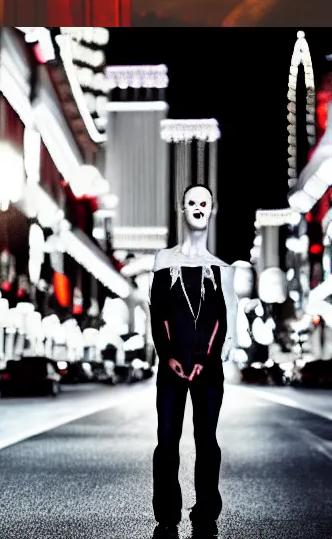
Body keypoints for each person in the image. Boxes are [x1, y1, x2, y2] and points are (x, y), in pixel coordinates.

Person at [149, 185, 238, 539]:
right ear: (181, 209)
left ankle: (206, 508)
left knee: (207, 439)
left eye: (204, 203)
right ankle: (167, 511)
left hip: (209, 368)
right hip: (170, 367)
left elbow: (224, 317)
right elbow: (157, 315)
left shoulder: (221, 267)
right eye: (191, 203)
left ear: (212, 209)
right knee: (167, 438)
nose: (198, 208)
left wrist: (209, 358)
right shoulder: (163, 260)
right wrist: (167, 355)